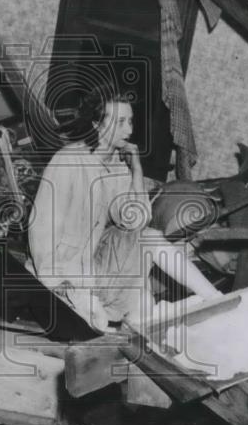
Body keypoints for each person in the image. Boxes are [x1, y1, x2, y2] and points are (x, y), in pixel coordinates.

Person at [28, 90, 222, 331]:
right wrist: (55, 282)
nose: (129, 130)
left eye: (130, 121)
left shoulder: (117, 167)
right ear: (96, 124)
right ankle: (120, 313)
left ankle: (214, 299)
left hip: (94, 266)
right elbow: (42, 228)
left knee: (149, 239)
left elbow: (136, 221)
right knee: (104, 323)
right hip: (62, 274)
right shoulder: (68, 160)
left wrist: (136, 168)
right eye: (119, 122)